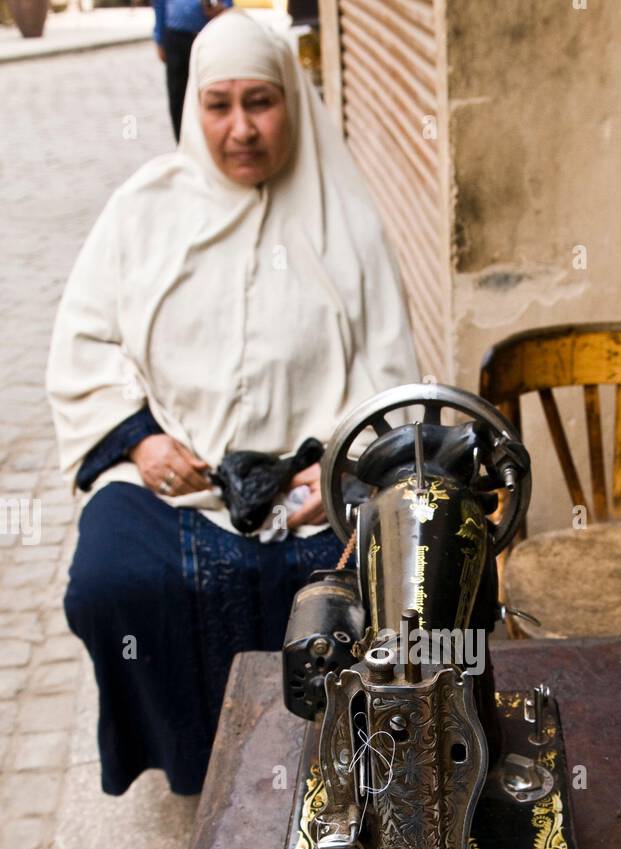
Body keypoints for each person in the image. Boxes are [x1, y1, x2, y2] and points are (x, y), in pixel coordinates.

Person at [46, 11, 420, 798]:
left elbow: (388, 372)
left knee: (388, 583)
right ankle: (193, 765)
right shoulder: (142, 212)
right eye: (220, 105)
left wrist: (343, 461)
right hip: (175, 476)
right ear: (193, 109)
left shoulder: (343, 220)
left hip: (312, 485)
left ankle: (342, 760)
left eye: (262, 102)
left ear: (293, 102)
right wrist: (141, 443)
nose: (241, 129)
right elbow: (85, 343)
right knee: (110, 584)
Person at [153, 0, 233, 142]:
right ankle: (182, 145)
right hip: (177, 36)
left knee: (212, 92)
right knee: (178, 97)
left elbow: (227, 5)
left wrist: (223, 9)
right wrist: (159, 37)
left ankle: (210, 144)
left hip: (209, 34)